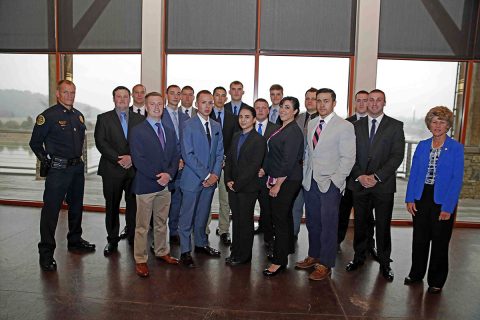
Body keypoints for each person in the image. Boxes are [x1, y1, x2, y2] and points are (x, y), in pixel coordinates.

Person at [29, 80, 95, 272]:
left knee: (76, 207)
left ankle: (74, 240)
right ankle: (46, 252)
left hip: (76, 169)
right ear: (58, 94)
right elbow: (35, 143)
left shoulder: (78, 116)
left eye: (72, 92)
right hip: (58, 170)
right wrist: (46, 161)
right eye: (65, 92)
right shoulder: (47, 116)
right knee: (51, 211)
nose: (69, 96)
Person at [295, 88, 355, 281]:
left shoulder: (344, 126)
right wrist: (306, 176)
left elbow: (348, 158)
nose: (321, 104)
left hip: (330, 183)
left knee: (329, 224)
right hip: (310, 181)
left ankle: (325, 263)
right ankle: (314, 255)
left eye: (326, 101)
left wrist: (336, 181)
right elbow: (309, 153)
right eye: (318, 101)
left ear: (334, 103)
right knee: (313, 221)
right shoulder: (312, 124)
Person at [346, 89, 405, 282]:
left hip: (383, 186)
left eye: (378, 100)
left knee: (382, 225)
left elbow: (397, 156)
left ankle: (385, 262)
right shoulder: (355, 126)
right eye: (370, 100)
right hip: (360, 184)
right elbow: (349, 155)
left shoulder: (395, 126)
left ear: (384, 103)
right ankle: (358, 257)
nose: (373, 103)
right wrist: (359, 175)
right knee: (360, 224)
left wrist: (377, 176)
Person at [404, 106, 464, 294]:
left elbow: (456, 179)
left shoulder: (456, 148)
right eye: (434, 121)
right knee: (419, 239)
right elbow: (413, 174)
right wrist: (410, 198)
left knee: (439, 241)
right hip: (422, 197)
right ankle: (416, 274)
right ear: (429, 124)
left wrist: (448, 207)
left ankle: (436, 280)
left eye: (442, 122)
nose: (438, 125)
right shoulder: (422, 145)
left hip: (442, 200)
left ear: (448, 125)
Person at [129, 92, 181, 277]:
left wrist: (169, 174)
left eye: (160, 104)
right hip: (146, 185)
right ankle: (141, 260)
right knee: (142, 226)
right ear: (146, 106)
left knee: (161, 222)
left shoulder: (169, 129)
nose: (157, 107)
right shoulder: (137, 130)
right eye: (153, 104)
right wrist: (158, 176)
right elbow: (138, 159)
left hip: (165, 185)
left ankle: (161, 251)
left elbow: (176, 155)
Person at [94, 86, 144, 255]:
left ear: (130, 99)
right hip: (111, 170)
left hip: (133, 170)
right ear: (113, 98)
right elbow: (101, 142)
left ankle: (131, 237)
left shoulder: (139, 119)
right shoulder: (103, 118)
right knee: (112, 206)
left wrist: (132, 158)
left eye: (125, 97)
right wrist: (119, 159)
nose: (122, 100)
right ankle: (112, 240)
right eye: (119, 97)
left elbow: (142, 143)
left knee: (133, 206)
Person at [178, 90, 224, 268]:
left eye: (210, 103)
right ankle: (184, 251)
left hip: (210, 181)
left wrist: (214, 175)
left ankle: (201, 244)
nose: (207, 106)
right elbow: (187, 154)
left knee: (203, 215)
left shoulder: (216, 125)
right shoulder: (188, 125)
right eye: (204, 102)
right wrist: (206, 175)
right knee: (187, 217)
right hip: (192, 179)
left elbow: (220, 153)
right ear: (197, 104)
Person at [262, 96, 304, 277]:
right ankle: (285, 251)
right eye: (281, 107)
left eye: (288, 107)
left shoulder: (293, 131)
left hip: (287, 180)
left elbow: (288, 161)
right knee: (284, 217)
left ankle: (278, 261)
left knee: (278, 219)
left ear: (295, 111)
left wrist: (277, 184)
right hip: (281, 178)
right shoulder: (283, 128)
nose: (283, 110)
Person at [224, 106, 267, 266]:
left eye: (247, 117)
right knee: (236, 220)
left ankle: (244, 256)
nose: (243, 120)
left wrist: (238, 184)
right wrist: (228, 179)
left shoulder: (259, 140)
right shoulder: (235, 136)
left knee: (245, 222)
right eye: (241, 117)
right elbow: (228, 160)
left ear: (254, 119)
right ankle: (235, 251)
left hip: (247, 188)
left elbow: (254, 166)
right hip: (233, 186)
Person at [337, 90, 377, 260]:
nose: (361, 104)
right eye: (358, 100)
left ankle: (369, 246)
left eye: (365, 100)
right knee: (342, 212)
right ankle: (336, 241)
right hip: (348, 177)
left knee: (367, 216)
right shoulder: (346, 123)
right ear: (354, 103)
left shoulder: (375, 124)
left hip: (368, 179)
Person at [209, 86, 239, 245]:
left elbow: (235, 142)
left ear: (226, 99)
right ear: (213, 97)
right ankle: (204, 229)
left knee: (225, 199)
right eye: (217, 95)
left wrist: (225, 159)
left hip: (226, 165)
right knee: (206, 199)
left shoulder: (233, 118)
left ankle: (224, 230)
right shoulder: (206, 114)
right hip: (208, 166)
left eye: (222, 96)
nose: (220, 99)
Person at [253, 98, 281, 257]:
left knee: (268, 210)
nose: (261, 110)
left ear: (269, 110)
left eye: (264, 108)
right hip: (250, 178)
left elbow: (276, 155)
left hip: (267, 177)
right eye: (257, 108)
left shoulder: (276, 129)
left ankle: (270, 242)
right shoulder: (247, 126)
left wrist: (265, 169)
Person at [163, 84, 189, 244]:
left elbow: (186, 142)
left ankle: (173, 230)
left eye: (178, 94)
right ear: (166, 95)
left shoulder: (185, 118)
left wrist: (182, 160)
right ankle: (157, 235)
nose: (175, 96)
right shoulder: (159, 114)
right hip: (165, 166)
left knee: (177, 200)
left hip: (182, 167)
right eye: (172, 93)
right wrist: (174, 161)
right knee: (161, 202)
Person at [292, 87, 318, 239]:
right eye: (307, 98)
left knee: (313, 210)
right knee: (295, 206)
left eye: (313, 98)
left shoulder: (323, 121)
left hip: (314, 172)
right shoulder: (298, 118)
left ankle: (314, 243)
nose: (309, 101)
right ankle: (293, 235)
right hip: (297, 170)